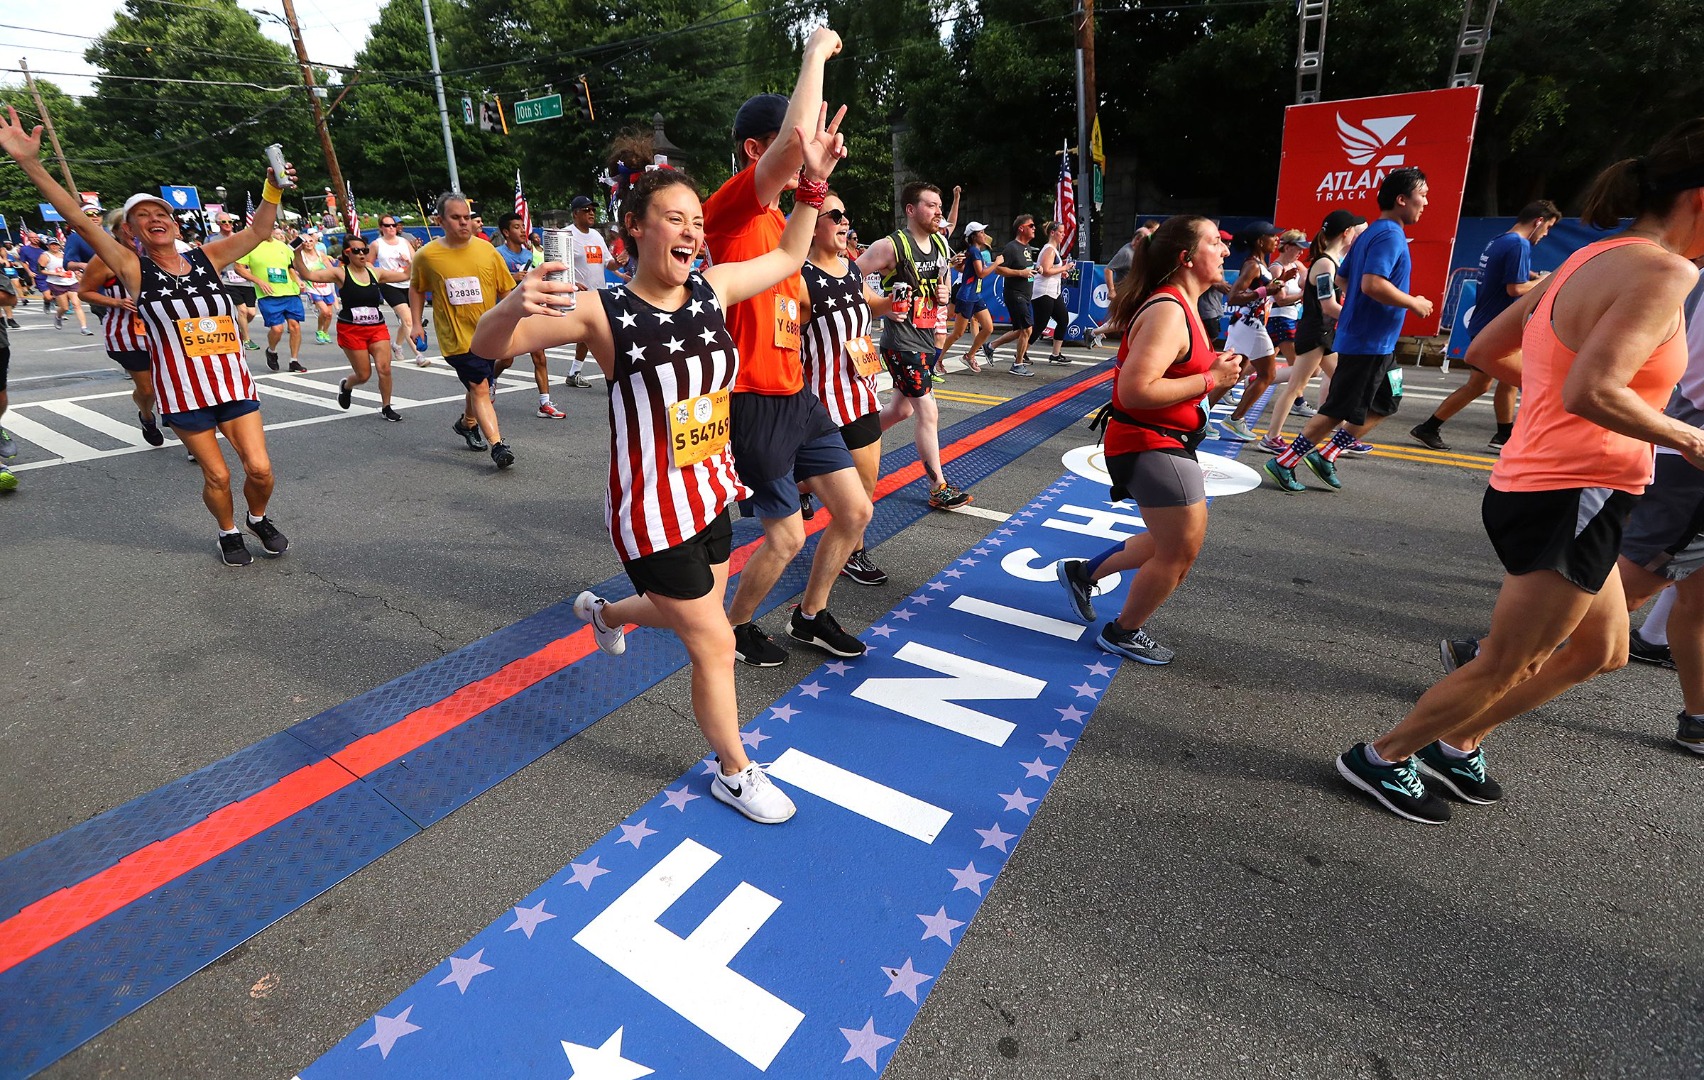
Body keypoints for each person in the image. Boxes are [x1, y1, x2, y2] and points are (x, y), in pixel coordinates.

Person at [470, 115, 844, 824]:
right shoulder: (600, 311)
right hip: (648, 510)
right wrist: (507, 306)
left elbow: (792, 255)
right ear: (635, 229)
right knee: (710, 636)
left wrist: (812, 185)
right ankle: (735, 771)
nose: (691, 231)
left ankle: (603, 612)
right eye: (674, 219)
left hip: (712, 491)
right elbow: (493, 348)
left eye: (697, 222)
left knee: (689, 605)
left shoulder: (714, 290)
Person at [1335, 120, 1704, 824]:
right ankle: (1381, 756)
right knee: (1508, 661)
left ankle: (1461, 738)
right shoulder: (1666, 271)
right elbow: (1592, 389)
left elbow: (1489, 345)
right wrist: (1688, 436)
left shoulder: (1595, 255)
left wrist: (1551, 410)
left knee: (1604, 650)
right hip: (1574, 493)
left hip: (1550, 482)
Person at [0, 104, 293, 563]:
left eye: (162, 211)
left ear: (174, 221)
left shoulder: (206, 257)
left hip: (232, 381)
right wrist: (31, 163)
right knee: (216, 476)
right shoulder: (132, 268)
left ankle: (257, 517)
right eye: (143, 215)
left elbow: (259, 229)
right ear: (132, 231)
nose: (156, 217)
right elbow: (79, 221)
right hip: (181, 391)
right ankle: (228, 530)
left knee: (260, 468)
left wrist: (272, 186)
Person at [704, 30, 875, 669]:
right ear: (758, 149)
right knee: (784, 535)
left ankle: (809, 617)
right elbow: (785, 155)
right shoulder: (732, 211)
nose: (810, 148)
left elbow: (800, 291)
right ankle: (738, 626)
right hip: (751, 401)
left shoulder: (787, 223)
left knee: (854, 510)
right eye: (792, 141)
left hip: (797, 396)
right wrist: (815, 54)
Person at [1055, 216, 1242, 664]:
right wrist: (1209, 378)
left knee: (1167, 542)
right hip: (1148, 441)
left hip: (1164, 439)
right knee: (1181, 549)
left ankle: (1082, 573)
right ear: (1187, 258)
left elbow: (1184, 382)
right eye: (1215, 243)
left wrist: (1218, 379)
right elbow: (1135, 391)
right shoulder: (1168, 310)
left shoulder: (1185, 304)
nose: (1225, 252)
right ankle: (1123, 631)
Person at [1264, 168, 1433, 493]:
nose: (1425, 202)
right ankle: (1285, 460)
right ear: (1402, 199)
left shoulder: (1371, 234)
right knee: (1338, 408)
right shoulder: (1388, 235)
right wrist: (1413, 302)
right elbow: (1371, 283)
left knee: (1388, 397)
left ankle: (1327, 454)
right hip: (1367, 340)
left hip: (1373, 339)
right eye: (1422, 195)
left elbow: (1345, 281)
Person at [857, 180, 976, 513]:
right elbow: (848, 276)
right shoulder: (891, 246)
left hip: (925, 338)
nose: (938, 211)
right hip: (901, 342)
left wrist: (944, 293)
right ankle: (938, 486)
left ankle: (848, 444)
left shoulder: (939, 243)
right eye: (931, 205)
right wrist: (882, 303)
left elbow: (942, 280)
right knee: (928, 411)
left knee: (901, 410)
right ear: (910, 210)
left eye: (940, 206)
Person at [1410, 200, 1563, 454]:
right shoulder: (1520, 245)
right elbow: (1515, 289)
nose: (1546, 234)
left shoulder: (1501, 240)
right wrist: (1548, 282)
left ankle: (1500, 434)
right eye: (1548, 227)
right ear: (1538, 221)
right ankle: (1533, 440)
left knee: (1489, 384)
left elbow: (1507, 275)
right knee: (1532, 380)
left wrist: (1533, 276)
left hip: (1486, 325)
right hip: (1497, 329)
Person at [803, 192, 892, 585]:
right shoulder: (798, 277)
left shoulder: (851, 269)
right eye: (834, 214)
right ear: (812, 223)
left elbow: (868, 301)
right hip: (820, 400)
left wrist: (894, 303)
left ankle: (852, 549)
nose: (844, 221)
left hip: (861, 389)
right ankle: (850, 551)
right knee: (850, 484)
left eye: (845, 214)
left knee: (867, 481)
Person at [410, 192, 518, 469]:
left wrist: (516, 321)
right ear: (440, 220)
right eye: (456, 218)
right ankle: (498, 445)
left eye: (467, 217)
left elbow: (506, 289)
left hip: (489, 332)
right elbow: (417, 288)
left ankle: (467, 423)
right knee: (480, 386)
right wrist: (414, 324)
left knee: (495, 368)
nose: (464, 223)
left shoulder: (487, 251)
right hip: (456, 338)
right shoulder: (427, 256)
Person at [1256, 210, 1366, 454]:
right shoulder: (1326, 263)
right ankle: (1271, 437)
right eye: (1356, 233)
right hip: (1316, 331)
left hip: (1323, 332)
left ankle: (1346, 434)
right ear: (1347, 233)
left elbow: (1321, 290)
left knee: (1342, 381)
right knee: (1296, 386)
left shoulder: (1331, 261)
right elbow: (1328, 305)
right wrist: (1358, 318)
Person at [293, 236, 409, 421]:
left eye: (365, 250)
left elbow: (405, 275)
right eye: (357, 251)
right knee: (363, 375)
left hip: (376, 328)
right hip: (351, 329)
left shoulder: (374, 272)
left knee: (384, 368)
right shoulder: (340, 273)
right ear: (347, 253)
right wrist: (297, 252)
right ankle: (346, 386)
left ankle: (386, 407)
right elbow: (308, 275)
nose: (362, 254)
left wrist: (414, 257)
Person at [77, 209, 166, 447]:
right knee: (148, 390)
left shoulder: (160, 253)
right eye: (125, 228)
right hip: (127, 335)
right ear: (116, 232)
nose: (132, 232)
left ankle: (189, 438)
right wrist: (115, 302)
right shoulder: (106, 259)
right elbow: (84, 292)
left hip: (164, 332)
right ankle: (147, 416)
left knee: (173, 384)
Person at [1217, 222, 1298, 441]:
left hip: (1248, 324)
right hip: (1250, 324)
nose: (1277, 240)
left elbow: (1264, 291)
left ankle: (1200, 417)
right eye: (1273, 237)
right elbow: (1234, 296)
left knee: (1232, 375)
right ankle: (1235, 419)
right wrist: (1266, 289)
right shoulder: (1252, 265)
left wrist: (1283, 280)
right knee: (1268, 374)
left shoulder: (1261, 264)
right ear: (1260, 241)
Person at [494, 211, 564, 418]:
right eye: (516, 227)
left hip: (530, 310)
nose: (522, 231)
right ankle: (492, 379)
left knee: (540, 357)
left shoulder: (530, 255)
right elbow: (490, 281)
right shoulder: (497, 254)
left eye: (522, 227)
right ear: (506, 232)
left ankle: (545, 403)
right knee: (507, 361)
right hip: (508, 312)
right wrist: (511, 276)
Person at [237, 226, 308, 373]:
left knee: (295, 326)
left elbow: (289, 268)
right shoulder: (250, 246)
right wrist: (258, 281)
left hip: (290, 291)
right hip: (268, 294)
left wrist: (298, 280)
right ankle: (271, 351)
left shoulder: (282, 246)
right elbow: (239, 268)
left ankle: (294, 361)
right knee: (277, 329)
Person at [936, 220, 995, 372]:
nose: (984, 235)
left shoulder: (974, 251)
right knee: (958, 333)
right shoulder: (974, 251)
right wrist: (997, 263)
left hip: (976, 296)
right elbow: (981, 273)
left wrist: (958, 265)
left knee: (988, 327)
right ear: (974, 237)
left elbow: (964, 269)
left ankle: (970, 355)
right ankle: (938, 359)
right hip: (967, 296)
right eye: (981, 232)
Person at [564, 194, 608, 389]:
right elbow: (555, 265)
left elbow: (608, 261)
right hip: (578, 296)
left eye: (593, 210)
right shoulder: (566, 235)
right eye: (586, 210)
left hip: (599, 294)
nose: (591, 213)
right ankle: (611, 374)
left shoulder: (597, 235)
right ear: (575, 214)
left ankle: (574, 372)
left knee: (587, 336)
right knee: (595, 334)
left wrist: (621, 264)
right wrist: (573, 283)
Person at [371, 215, 426, 365]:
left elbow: (416, 261)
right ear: (381, 227)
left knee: (408, 320)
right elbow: (368, 265)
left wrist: (407, 260)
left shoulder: (404, 242)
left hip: (408, 283)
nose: (391, 228)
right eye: (387, 225)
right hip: (389, 284)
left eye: (393, 225)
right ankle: (418, 354)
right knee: (408, 319)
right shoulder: (377, 244)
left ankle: (397, 345)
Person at [988, 215, 1040, 375]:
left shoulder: (1028, 249)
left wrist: (1036, 269)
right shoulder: (1011, 247)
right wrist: (1020, 272)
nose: (1034, 228)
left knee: (1020, 330)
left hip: (1025, 294)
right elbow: (999, 269)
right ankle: (1017, 364)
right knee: (1027, 329)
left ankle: (990, 346)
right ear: (1021, 228)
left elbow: (1026, 270)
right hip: (1014, 293)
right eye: (1031, 225)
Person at [210, 213, 260, 349]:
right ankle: (246, 340)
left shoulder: (240, 237)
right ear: (218, 223)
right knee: (242, 310)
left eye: (230, 221)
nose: (227, 224)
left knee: (251, 312)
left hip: (245, 279)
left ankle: (239, 329)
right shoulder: (212, 240)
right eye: (224, 221)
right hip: (227, 280)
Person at [1030, 220, 1076, 365]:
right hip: (1043, 292)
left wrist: (1061, 273)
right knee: (1040, 324)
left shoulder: (1054, 249)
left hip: (1053, 292)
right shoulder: (1049, 249)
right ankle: (1022, 351)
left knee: (1063, 319)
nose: (1063, 235)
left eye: (1063, 232)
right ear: (1052, 233)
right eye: (1060, 232)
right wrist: (1065, 268)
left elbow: (1051, 270)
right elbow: (1046, 271)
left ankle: (1055, 354)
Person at [39, 239, 92, 334]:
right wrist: (56, 274)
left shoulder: (65, 254)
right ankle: (58, 316)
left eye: (56, 245)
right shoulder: (45, 256)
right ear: (48, 246)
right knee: (65, 307)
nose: (54, 247)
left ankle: (84, 327)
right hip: (56, 283)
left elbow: (72, 265)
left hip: (71, 281)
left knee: (77, 304)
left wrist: (77, 272)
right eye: (52, 245)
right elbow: (41, 270)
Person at [299, 242, 339, 344]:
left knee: (329, 314)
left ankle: (325, 332)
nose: (308, 243)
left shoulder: (320, 254)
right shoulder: (301, 255)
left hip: (326, 286)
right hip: (312, 287)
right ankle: (319, 331)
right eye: (306, 241)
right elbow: (296, 269)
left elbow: (330, 268)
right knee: (324, 311)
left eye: (310, 241)